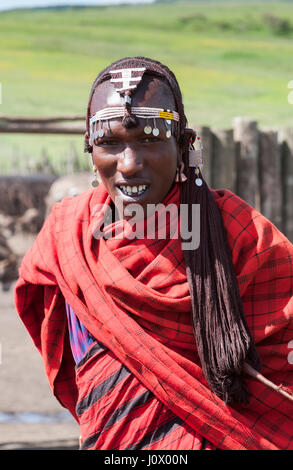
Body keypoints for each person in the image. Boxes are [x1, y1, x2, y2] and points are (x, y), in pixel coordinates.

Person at [15, 57, 293, 450]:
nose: (128, 165)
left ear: (183, 147)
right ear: (90, 150)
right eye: (109, 143)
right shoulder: (67, 235)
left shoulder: (241, 235)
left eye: (149, 139)